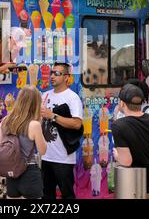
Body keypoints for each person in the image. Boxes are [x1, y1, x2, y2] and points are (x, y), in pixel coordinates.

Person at [112, 83, 149, 199]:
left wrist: (116, 155)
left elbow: (126, 161)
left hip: (141, 187)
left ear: (122, 103)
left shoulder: (119, 126)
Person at [0, 85, 47, 199]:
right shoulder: (34, 124)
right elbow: (43, 151)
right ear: (36, 103)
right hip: (29, 173)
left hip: (11, 174)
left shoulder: (5, 121)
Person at [40, 62, 84, 199]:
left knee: (67, 195)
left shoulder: (72, 97)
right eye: (52, 73)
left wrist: (52, 116)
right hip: (45, 157)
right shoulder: (45, 95)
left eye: (57, 73)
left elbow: (77, 124)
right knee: (46, 195)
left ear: (66, 77)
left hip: (63, 158)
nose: (52, 76)